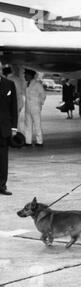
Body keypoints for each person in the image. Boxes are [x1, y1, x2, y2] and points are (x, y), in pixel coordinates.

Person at [0, 61, 18, 195]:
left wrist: (14, 127)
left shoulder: (9, 84)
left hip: (4, 128)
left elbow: (13, 108)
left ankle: (2, 186)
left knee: (3, 159)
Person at [24, 69, 46, 147]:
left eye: (26, 75)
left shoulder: (37, 84)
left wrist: (39, 104)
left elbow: (43, 95)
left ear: (30, 76)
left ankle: (39, 141)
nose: (24, 76)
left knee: (37, 125)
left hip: (35, 108)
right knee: (27, 125)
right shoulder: (27, 84)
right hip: (27, 108)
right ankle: (28, 141)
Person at [3, 65, 25, 135]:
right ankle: (18, 137)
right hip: (20, 100)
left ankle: (16, 138)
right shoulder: (16, 78)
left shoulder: (9, 80)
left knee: (14, 121)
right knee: (16, 120)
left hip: (15, 102)